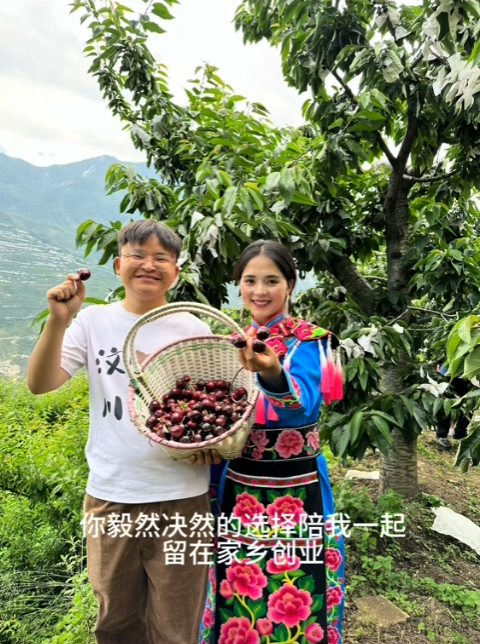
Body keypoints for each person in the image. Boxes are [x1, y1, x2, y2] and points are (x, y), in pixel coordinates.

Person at [27, 220, 221, 644]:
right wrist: (58, 322)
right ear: (118, 265)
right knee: (116, 623)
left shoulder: (193, 328)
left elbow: (213, 406)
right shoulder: (93, 321)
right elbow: (40, 384)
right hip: (112, 496)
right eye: (137, 255)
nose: (148, 265)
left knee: (177, 626)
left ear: (176, 271)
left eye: (161, 258)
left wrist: (212, 447)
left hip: (182, 499)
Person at [192, 240, 345, 644]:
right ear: (239, 285)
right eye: (250, 280)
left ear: (290, 285)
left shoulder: (311, 341)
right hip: (237, 485)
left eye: (272, 281)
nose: (260, 291)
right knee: (237, 590)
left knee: (299, 591)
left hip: (296, 489)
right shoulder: (229, 343)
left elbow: (301, 406)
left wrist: (273, 372)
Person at [435, 363, 469, 450]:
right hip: (450, 373)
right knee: (449, 405)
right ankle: (442, 435)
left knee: (467, 405)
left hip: (469, 374)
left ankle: (460, 433)